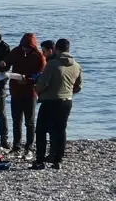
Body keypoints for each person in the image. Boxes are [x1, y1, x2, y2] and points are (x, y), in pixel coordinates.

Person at [33, 38, 83, 170]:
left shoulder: (53, 64)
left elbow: (42, 84)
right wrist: (67, 92)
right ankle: (58, 160)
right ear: (68, 49)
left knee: (41, 130)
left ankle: (40, 161)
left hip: (50, 101)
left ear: (56, 49)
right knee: (60, 130)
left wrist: (37, 88)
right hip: (67, 101)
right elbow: (79, 87)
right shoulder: (76, 65)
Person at [6, 32, 47, 159]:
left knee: (29, 122)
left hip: (30, 92)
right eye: (23, 46)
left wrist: (28, 80)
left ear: (33, 46)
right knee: (16, 121)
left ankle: (29, 148)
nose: (25, 49)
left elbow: (41, 73)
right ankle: (16, 147)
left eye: (28, 47)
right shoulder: (16, 51)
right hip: (15, 91)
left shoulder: (39, 56)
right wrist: (3, 64)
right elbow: (7, 62)